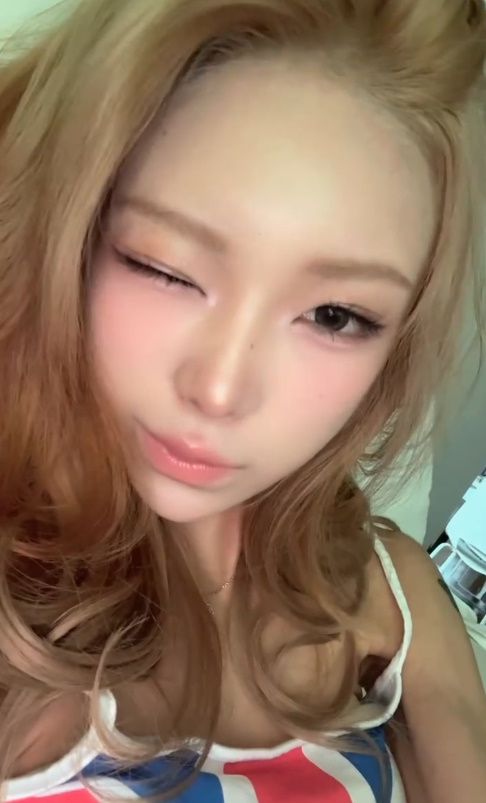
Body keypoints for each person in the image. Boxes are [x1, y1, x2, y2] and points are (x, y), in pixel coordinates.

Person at [0, 0, 485, 800]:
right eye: (162, 267)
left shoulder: (389, 593)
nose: (221, 389)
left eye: (335, 316)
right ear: (61, 235)